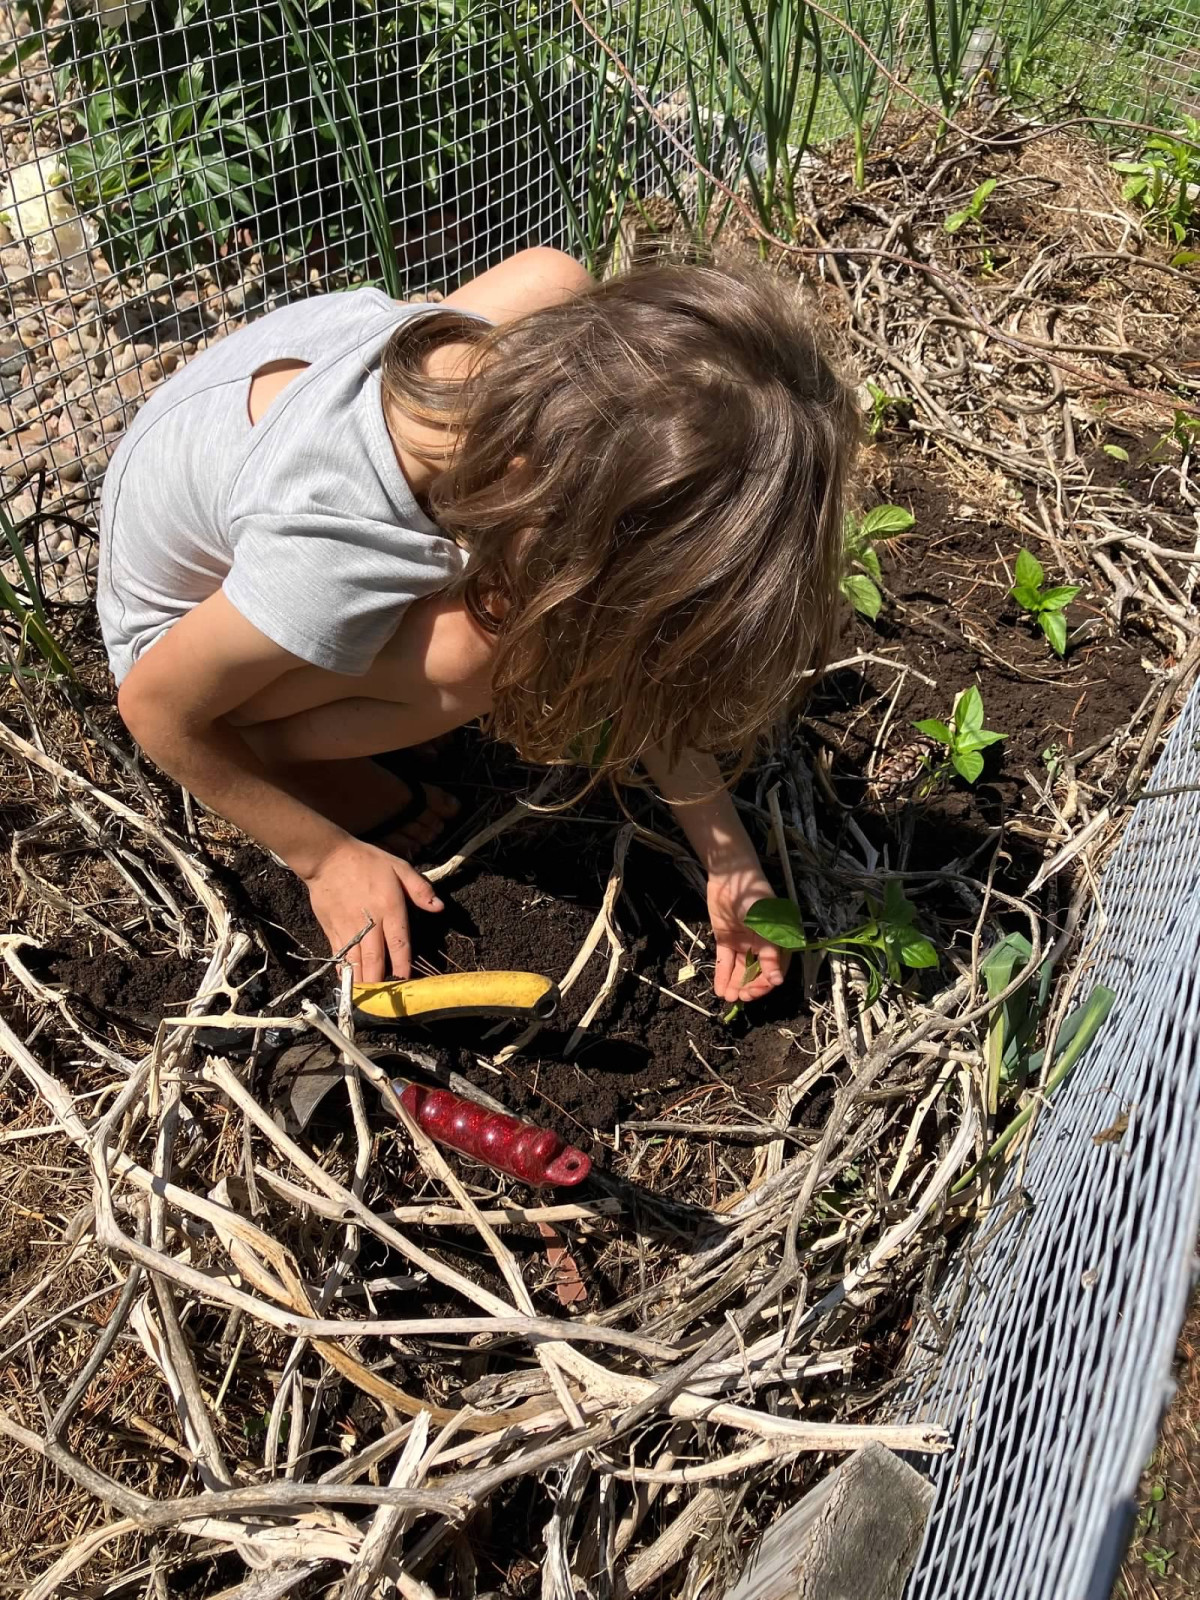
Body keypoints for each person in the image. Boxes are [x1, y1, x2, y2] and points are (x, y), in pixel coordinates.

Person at [99, 247, 858, 1002]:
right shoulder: (335, 548)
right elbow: (154, 709)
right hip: (179, 649)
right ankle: (289, 758)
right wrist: (323, 857)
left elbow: (634, 628)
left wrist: (725, 855)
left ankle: (339, 693)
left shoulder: (548, 318)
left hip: (214, 453)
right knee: (487, 651)